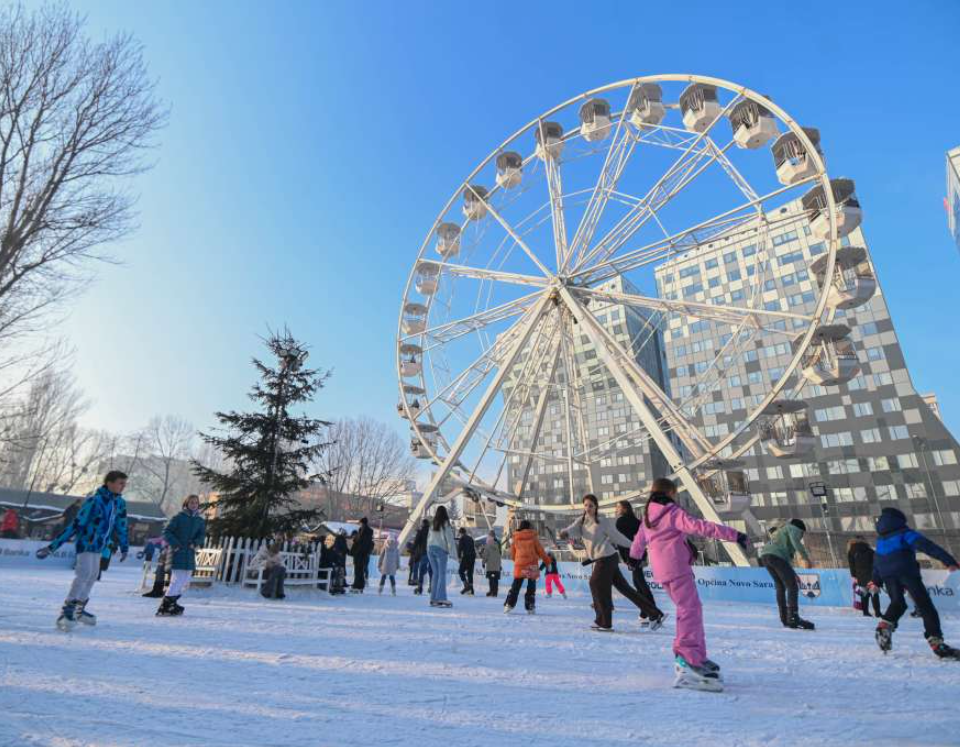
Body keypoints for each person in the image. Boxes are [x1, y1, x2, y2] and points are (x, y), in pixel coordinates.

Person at [630, 478, 747, 692]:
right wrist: (734, 535)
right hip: (676, 567)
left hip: (662, 570)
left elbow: (639, 541)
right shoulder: (672, 513)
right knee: (689, 610)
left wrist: (634, 558)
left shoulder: (647, 515)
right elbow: (700, 527)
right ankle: (687, 658)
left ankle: (696, 656)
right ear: (670, 493)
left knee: (689, 609)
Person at [36, 471, 130, 630]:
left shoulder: (119, 503)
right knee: (84, 574)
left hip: (100, 545)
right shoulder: (94, 501)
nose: (123, 486)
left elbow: (121, 525)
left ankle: (79, 609)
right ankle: (67, 610)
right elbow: (76, 524)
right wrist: (53, 546)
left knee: (93, 575)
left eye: (124, 483)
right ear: (109, 483)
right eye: (121, 483)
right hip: (86, 543)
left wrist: (124, 545)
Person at [560, 493, 665, 632]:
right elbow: (573, 529)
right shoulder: (582, 520)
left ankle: (604, 622)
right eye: (585, 505)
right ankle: (655, 614)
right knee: (625, 588)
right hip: (602, 559)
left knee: (595, 583)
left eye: (591, 505)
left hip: (607, 558)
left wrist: (633, 545)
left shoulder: (603, 521)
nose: (588, 508)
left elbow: (617, 537)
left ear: (596, 506)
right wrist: (565, 533)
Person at [869, 507, 960, 658]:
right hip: (906, 570)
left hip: (887, 574)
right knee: (925, 606)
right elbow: (927, 546)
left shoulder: (881, 540)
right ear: (899, 520)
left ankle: (884, 626)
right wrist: (948, 560)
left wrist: (876, 581)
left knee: (898, 603)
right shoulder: (905, 533)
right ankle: (936, 642)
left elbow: (877, 561)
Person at [759, 519, 815, 630]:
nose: (801, 537)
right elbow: (795, 542)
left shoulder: (780, 533)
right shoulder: (792, 528)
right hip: (776, 557)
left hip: (765, 556)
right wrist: (805, 557)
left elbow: (785, 561)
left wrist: (793, 573)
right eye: (802, 534)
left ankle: (784, 618)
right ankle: (793, 617)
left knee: (780, 586)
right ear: (800, 529)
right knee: (792, 586)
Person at [615, 499, 663, 626]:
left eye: (618, 507)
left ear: (625, 509)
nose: (616, 510)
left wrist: (626, 559)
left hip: (632, 556)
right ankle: (645, 612)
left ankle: (654, 611)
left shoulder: (620, 522)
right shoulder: (637, 522)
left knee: (640, 584)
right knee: (638, 583)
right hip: (640, 554)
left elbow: (620, 542)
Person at [157, 495, 206, 615]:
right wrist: (176, 545)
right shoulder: (179, 518)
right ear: (186, 504)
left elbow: (201, 536)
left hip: (189, 553)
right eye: (191, 502)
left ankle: (172, 603)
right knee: (177, 579)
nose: (194, 504)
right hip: (177, 552)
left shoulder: (199, 520)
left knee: (185, 579)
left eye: (196, 503)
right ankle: (165, 606)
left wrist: (195, 543)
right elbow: (166, 531)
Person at [504, 520, 550, 614]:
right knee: (531, 587)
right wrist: (547, 561)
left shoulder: (515, 538)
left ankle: (509, 604)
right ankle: (530, 607)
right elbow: (541, 551)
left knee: (515, 586)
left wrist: (517, 560)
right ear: (529, 527)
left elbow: (512, 554)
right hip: (531, 565)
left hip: (520, 565)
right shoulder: (533, 538)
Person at [426, 507, 456, 608]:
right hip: (440, 550)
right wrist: (453, 554)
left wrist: (428, 550)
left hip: (430, 549)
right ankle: (441, 598)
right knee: (442, 574)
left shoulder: (432, 524)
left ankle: (433, 599)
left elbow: (428, 538)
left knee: (435, 574)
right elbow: (450, 539)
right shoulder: (445, 524)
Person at [847, 536, 880, 617]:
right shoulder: (870, 550)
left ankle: (865, 612)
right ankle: (877, 612)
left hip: (860, 576)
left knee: (864, 594)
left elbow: (852, 566)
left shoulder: (851, 551)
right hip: (871, 575)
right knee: (874, 593)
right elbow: (876, 563)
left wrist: (854, 576)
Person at [350, 518, 374, 593]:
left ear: (363, 523)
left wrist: (355, 540)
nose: (359, 524)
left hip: (360, 554)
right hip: (364, 554)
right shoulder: (368, 532)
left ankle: (357, 585)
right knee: (360, 570)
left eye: (360, 523)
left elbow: (360, 543)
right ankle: (360, 585)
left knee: (358, 570)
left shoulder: (363, 531)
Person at [411, 519, 432, 594]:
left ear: (423, 524)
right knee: (431, 569)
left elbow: (416, 542)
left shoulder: (421, 531)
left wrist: (412, 549)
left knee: (422, 569)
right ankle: (431, 586)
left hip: (424, 552)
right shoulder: (431, 532)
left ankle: (420, 587)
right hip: (432, 553)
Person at [481, 531, 502, 597]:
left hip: (490, 565)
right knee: (495, 579)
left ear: (489, 536)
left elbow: (485, 555)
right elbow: (500, 554)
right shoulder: (498, 543)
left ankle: (491, 591)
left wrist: (483, 562)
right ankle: (495, 592)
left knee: (491, 579)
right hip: (497, 565)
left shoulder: (488, 544)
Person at [457, 527, 477, 595]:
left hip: (466, 557)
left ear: (460, 533)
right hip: (473, 557)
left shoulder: (462, 538)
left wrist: (459, 557)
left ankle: (467, 586)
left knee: (460, 571)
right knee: (470, 573)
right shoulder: (470, 538)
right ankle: (471, 590)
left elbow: (460, 548)